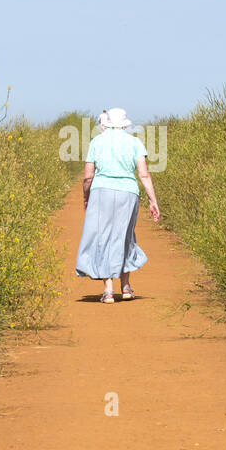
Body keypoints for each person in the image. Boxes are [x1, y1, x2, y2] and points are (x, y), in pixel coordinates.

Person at [74, 108, 161, 303]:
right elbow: (144, 174)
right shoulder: (134, 142)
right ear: (125, 124)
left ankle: (108, 290)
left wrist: (86, 197)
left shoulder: (96, 142)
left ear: (106, 123)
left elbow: (88, 176)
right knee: (125, 236)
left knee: (103, 237)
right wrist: (152, 200)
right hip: (128, 193)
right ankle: (126, 287)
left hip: (101, 192)